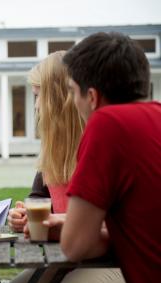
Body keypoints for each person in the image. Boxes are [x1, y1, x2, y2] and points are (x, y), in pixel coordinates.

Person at [8, 51, 124, 282]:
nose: (36, 106)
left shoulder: (108, 143)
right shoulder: (54, 149)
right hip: (68, 255)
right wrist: (24, 216)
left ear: (58, 98)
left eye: (38, 95)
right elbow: (39, 199)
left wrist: (60, 223)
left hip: (116, 259)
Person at [58, 32, 161, 283]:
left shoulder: (108, 124)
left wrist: (84, 232)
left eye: (72, 91)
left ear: (92, 97)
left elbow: (75, 246)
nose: (73, 101)